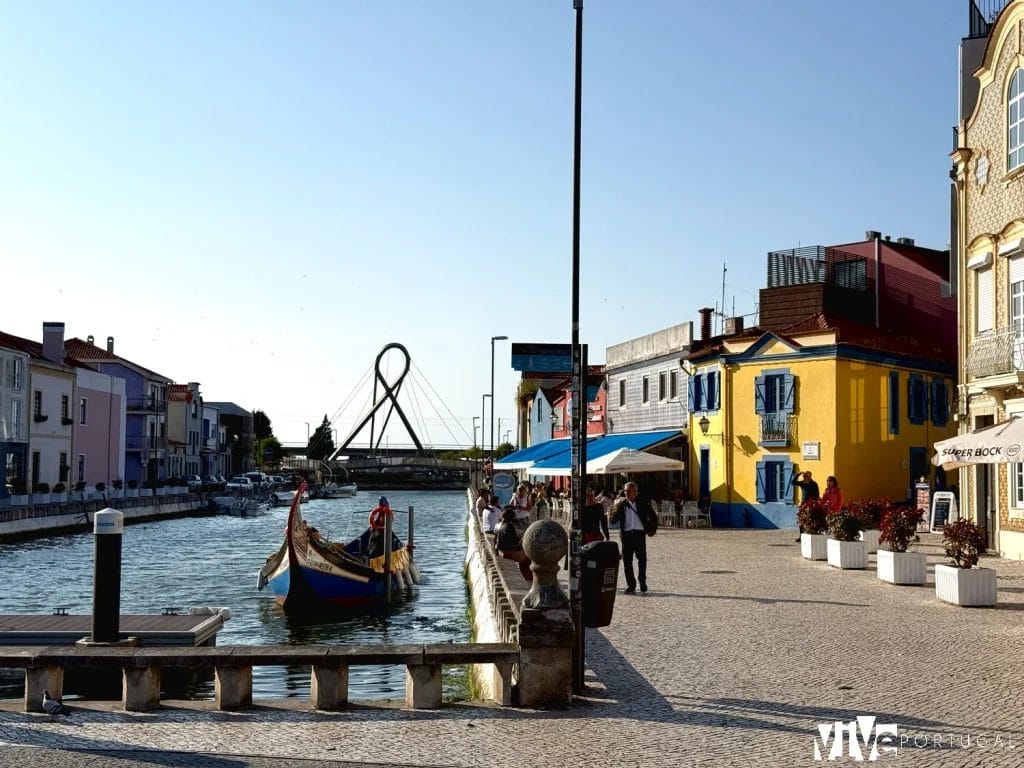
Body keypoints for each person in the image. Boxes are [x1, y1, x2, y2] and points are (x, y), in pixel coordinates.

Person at [610, 481, 654, 594]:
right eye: (625, 491)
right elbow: (612, 520)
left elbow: (653, 516)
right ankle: (631, 585)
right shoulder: (621, 504)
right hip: (627, 535)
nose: (626, 493)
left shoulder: (642, 502)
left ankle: (642, 581)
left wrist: (652, 530)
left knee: (642, 559)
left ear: (635, 491)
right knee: (627, 562)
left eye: (628, 491)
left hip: (639, 534)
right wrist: (614, 509)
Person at [493, 507, 532, 582]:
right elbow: (516, 543)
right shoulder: (511, 526)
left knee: (523, 553)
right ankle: (527, 578)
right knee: (528, 555)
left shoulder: (497, 525)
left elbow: (495, 540)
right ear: (512, 517)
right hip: (509, 553)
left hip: (500, 551)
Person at [792, 471, 821, 541]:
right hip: (803, 504)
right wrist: (798, 474)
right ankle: (801, 536)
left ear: (810, 477)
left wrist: (815, 503)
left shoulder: (814, 484)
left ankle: (811, 534)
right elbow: (793, 482)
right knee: (801, 520)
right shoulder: (803, 483)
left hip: (811, 504)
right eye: (804, 476)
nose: (804, 478)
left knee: (811, 520)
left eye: (805, 476)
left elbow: (817, 494)